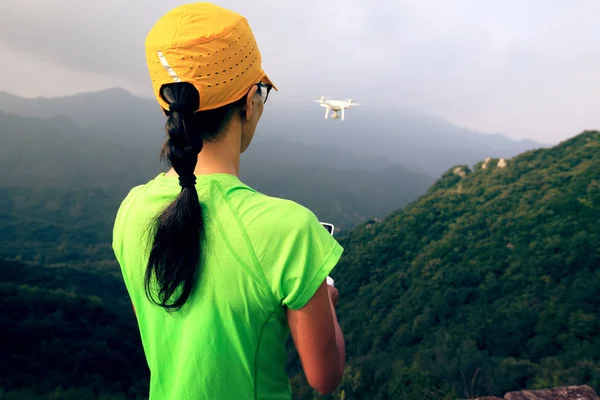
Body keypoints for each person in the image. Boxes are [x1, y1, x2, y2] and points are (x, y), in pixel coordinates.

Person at [111, 3, 345, 399]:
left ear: (167, 103)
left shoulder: (130, 211)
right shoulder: (288, 229)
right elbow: (325, 378)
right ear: (251, 100)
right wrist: (325, 303)